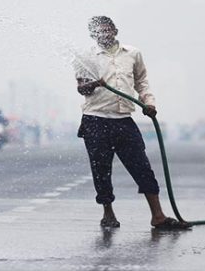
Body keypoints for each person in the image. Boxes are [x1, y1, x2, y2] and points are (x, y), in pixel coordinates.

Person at [75, 16, 191, 230]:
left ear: (115, 30)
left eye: (107, 30)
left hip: (124, 120)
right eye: (98, 32)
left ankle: (158, 215)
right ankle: (108, 213)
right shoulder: (85, 57)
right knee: (101, 169)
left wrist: (149, 103)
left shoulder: (133, 54)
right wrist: (96, 83)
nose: (103, 34)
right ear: (93, 35)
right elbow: (81, 88)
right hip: (95, 120)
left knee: (142, 167)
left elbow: (142, 82)